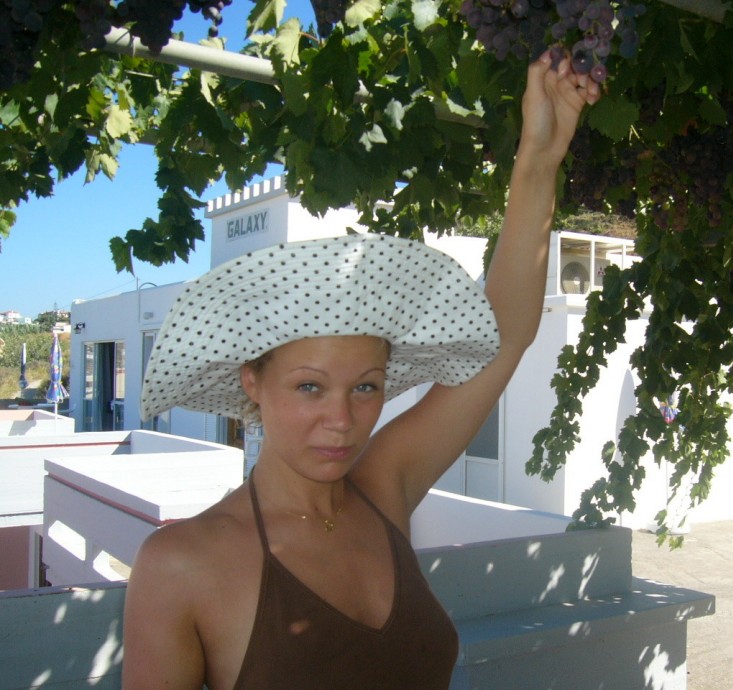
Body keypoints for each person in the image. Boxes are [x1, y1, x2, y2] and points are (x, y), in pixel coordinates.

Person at [122, 51, 600, 690]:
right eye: (309, 386)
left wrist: (538, 158)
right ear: (252, 383)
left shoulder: (383, 490)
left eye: (366, 387)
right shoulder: (182, 564)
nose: (342, 421)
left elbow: (503, 337)